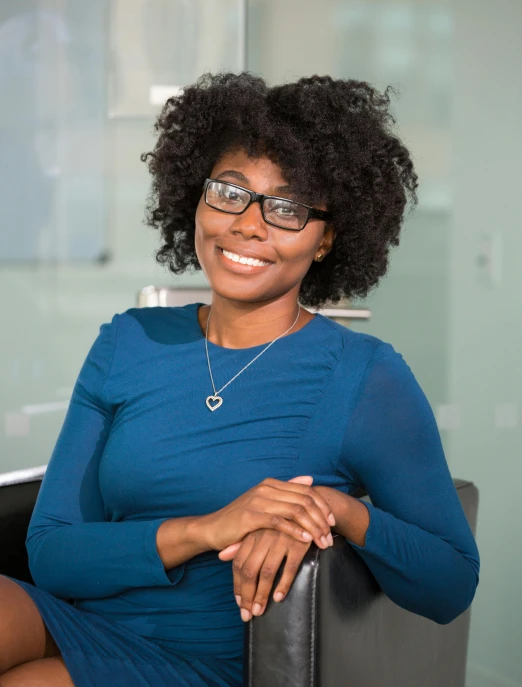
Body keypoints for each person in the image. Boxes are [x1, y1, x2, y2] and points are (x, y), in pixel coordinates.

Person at [0, 72, 480, 686]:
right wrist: (210, 528)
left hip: (210, 663)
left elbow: (450, 583)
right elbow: (53, 555)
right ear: (196, 199)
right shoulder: (129, 341)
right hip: (80, 619)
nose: (249, 225)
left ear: (328, 237)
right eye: (230, 191)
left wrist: (332, 509)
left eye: (287, 207)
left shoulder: (364, 376)